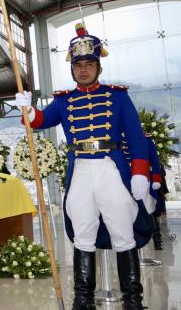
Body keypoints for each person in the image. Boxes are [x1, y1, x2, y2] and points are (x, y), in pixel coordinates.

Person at [13, 22, 153, 310]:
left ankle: (133, 301)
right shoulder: (65, 101)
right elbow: (41, 121)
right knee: (82, 234)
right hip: (80, 171)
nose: (84, 70)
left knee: (123, 233)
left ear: (98, 66)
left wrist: (139, 172)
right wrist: (28, 109)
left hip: (110, 169)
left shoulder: (118, 96)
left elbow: (136, 138)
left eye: (89, 64)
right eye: (78, 65)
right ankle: (83, 301)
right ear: (72, 69)